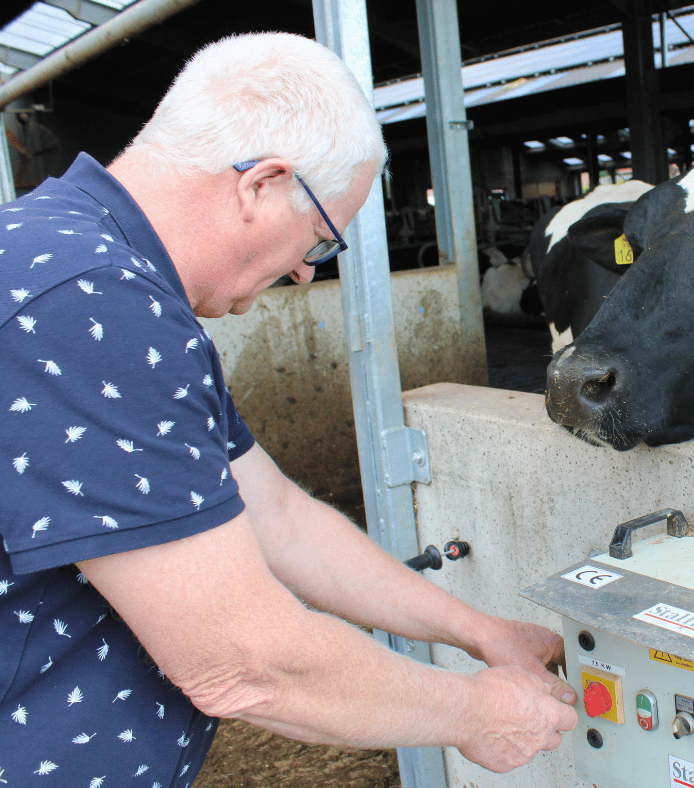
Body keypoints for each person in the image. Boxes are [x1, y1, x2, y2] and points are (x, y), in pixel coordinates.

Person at [0, 32, 577, 787]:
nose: (307, 273)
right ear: (262, 184)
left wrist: (478, 632)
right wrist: (480, 714)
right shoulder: (90, 301)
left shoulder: (97, 269)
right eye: (322, 239)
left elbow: (278, 517)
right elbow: (244, 661)